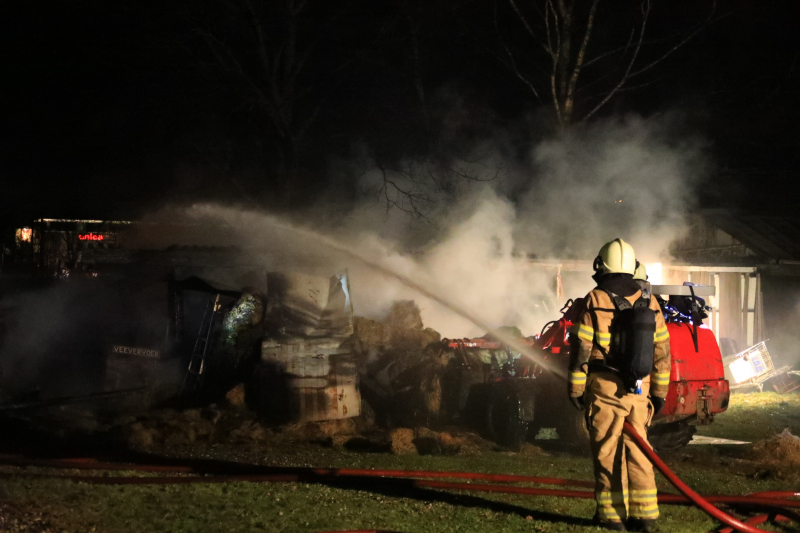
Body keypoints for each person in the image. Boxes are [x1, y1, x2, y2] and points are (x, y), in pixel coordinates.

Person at [568, 239, 671, 532]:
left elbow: (581, 351)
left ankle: (613, 518)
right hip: (640, 390)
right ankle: (646, 517)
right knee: (640, 452)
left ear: (601, 265)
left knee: (607, 452)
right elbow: (662, 351)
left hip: (605, 388)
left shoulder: (595, 299)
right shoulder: (649, 301)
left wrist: (575, 389)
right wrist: (659, 393)